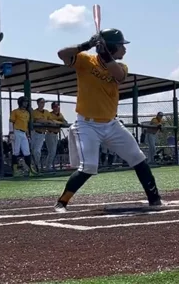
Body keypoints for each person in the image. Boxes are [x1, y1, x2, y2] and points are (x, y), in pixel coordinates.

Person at [53, 28, 162, 213]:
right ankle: (61, 202)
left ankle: (155, 199)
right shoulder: (85, 61)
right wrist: (86, 45)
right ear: (112, 46)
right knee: (89, 166)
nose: (124, 49)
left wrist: (105, 52)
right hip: (87, 124)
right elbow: (61, 54)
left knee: (138, 157)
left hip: (111, 124)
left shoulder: (122, 67)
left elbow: (118, 76)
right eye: (120, 45)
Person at [9, 96, 37, 175]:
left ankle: (30, 170)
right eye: (24, 101)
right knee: (16, 151)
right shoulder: (15, 111)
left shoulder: (27, 113)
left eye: (26, 102)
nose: (26, 103)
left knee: (27, 151)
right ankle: (15, 170)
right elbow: (11, 122)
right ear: (20, 102)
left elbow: (26, 125)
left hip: (24, 133)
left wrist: (28, 135)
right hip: (16, 132)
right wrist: (11, 133)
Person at [44, 102, 67, 171]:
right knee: (52, 151)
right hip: (50, 134)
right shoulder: (50, 114)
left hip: (55, 134)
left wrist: (58, 122)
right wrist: (58, 122)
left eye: (57, 107)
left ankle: (48, 166)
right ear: (52, 108)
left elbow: (65, 122)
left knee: (53, 152)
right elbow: (50, 121)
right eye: (54, 107)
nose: (56, 108)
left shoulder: (60, 115)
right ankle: (48, 167)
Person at [30, 97, 51, 171]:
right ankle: (31, 166)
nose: (43, 104)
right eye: (41, 102)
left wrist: (43, 121)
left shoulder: (47, 112)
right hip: (33, 133)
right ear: (38, 103)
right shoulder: (34, 112)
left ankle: (36, 166)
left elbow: (50, 120)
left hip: (42, 134)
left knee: (37, 151)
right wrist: (43, 121)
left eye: (44, 102)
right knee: (31, 150)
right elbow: (35, 121)